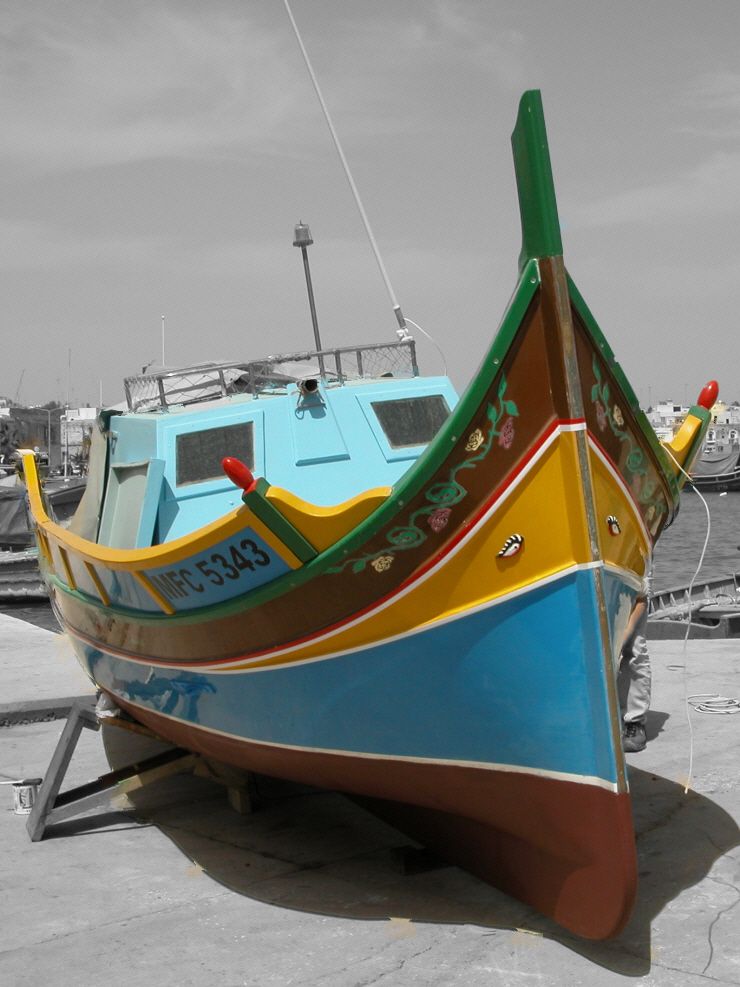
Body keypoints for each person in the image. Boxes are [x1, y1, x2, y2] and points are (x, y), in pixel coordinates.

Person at [618, 564, 652, 753]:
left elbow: (641, 598)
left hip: (633, 560)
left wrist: (625, 636)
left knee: (634, 648)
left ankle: (634, 720)